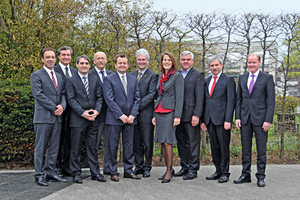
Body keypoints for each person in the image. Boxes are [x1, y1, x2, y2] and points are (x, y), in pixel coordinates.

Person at [234, 53, 275, 187]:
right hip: (245, 119)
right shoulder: (242, 77)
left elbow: (271, 101)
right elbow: (239, 100)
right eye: (249, 62)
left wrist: (268, 120)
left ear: (259, 63)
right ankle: (245, 174)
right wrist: (238, 117)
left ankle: (260, 176)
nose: (251, 65)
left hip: (261, 120)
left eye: (254, 62)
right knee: (245, 149)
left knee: (261, 149)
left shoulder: (267, 78)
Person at [30, 48, 68, 186]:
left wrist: (62, 106)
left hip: (57, 117)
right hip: (43, 117)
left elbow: (63, 94)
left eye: (52, 57)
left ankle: (50, 172)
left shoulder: (58, 76)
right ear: (42, 59)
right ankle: (39, 175)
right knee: (40, 147)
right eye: (48, 57)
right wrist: (54, 108)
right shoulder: (36, 75)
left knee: (54, 147)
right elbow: (38, 95)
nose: (51, 59)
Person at [66, 55, 106, 183]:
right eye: (81, 63)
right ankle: (76, 173)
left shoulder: (95, 80)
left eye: (86, 63)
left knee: (92, 148)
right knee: (76, 148)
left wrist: (97, 111)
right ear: (77, 65)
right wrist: (83, 113)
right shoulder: (71, 81)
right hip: (78, 120)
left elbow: (100, 98)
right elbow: (71, 100)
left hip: (94, 119)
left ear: (89, 65)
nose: (84, 65)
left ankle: (95, 173)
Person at [103, 53, 141, 182]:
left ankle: (128, 171)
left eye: (125, 63)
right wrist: (121, 115)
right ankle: (113, 171)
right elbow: (109, 99)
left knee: (129, 145)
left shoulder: (133, 79)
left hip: (130, 119)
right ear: (115, 64)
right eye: (120, 63)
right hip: (114, 118)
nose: (122, 65)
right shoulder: (109, 79)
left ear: (128, 65)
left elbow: (137, 99)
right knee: (113, 146)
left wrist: (131, 115)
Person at [201, 55, 236, 183]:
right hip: (210, 119)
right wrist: (203, 120)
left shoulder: (228, 80)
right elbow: (206, 101)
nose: (214, 68)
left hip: (222, 120)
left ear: (221, 65)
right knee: (214, 147)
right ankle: (218, 170)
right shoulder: (207, 80)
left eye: (216, 65)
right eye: (212, 66)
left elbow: (231, 101)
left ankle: (225, 172)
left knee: (223, 147)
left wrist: (228, 120)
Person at [152, 52, 184, 183]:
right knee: (162, 142)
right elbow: (158, 96)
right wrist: (154, 114)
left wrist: (178, 116)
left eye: (168, 60)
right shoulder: (161, 76)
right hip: (159, 111)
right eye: (164, 60)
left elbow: (180, 97)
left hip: (170, 112)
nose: (166, 62)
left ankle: (169, 170)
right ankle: (168, 168)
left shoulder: (177, 76)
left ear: (172, 62)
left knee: (167, 142)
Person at [174, 51, 205, 180]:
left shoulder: (198, 75)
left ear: (192, 61)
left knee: (193, 143)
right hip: (177, 115)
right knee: (181, 143)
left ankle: (193, 169)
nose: (185, 61)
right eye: (183, 59)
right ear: (180, 61)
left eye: (188, 59)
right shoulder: (176, 74)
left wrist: (197, 115)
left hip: (191, 115)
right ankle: (185, 166)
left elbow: (200, 97)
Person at [129, 49, 158, 178]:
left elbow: (152, 94)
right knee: (136, 142)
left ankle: (147, 166)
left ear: (147, 61)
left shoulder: (153, 75)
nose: (141, 62)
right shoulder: (131, 74)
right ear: (136, 61)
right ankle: (138, 165)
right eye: (139, 59)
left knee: (147, 142)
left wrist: (137, 107)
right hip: (133, 116)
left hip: (146, 114)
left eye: (143, 60)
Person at [54, 46, 77, 177]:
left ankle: (66, 166)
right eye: (63, 55)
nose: (66, 57)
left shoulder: (74, 71)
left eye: (68, 55)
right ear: (59, 56)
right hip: (59, 111)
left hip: (73, 113)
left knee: (69, 140)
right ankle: (56, 166)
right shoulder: (54, 70)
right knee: (57, 140)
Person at [88, 51, 113, 175]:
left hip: (110, 115)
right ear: (94, 61)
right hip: (95, 115)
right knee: (94, 144)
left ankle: (108, 168)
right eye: (98, 58)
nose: (101, 60)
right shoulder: (89, 74)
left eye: (103, 58)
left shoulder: (112, 75)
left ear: (106, 60)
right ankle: (95, 170)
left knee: (109, 144)